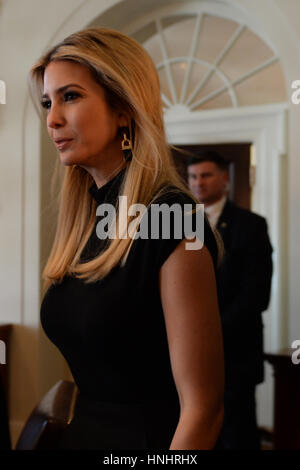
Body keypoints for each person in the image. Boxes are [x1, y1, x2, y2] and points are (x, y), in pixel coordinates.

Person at [28, 28, 224, 450]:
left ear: (123, 109)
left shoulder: (171, 217)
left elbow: (203, 410)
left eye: (71, 97)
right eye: (48, 102)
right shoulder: (89, 217)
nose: (52, 119)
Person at [187, 151, 273, 449]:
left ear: (225, 178)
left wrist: (208, 335)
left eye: (206, 175)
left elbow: (256, 296)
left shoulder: (251, 225)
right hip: (187, 358)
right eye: (193, 177)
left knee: (237, 438)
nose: (199, 183)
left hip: (236, 353)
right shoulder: (177, 225)